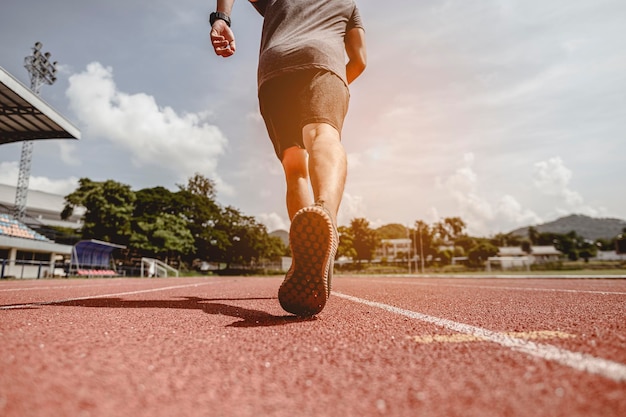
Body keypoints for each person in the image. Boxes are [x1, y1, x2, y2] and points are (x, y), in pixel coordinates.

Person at [210, 0, 367, 316]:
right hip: (323, 62)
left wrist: (221, 19)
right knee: (323, 134)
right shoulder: (348, 4)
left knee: (295, 166)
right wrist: (336, 78)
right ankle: (325, 220)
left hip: (275, 70)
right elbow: (360, 60)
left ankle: (304, 261)